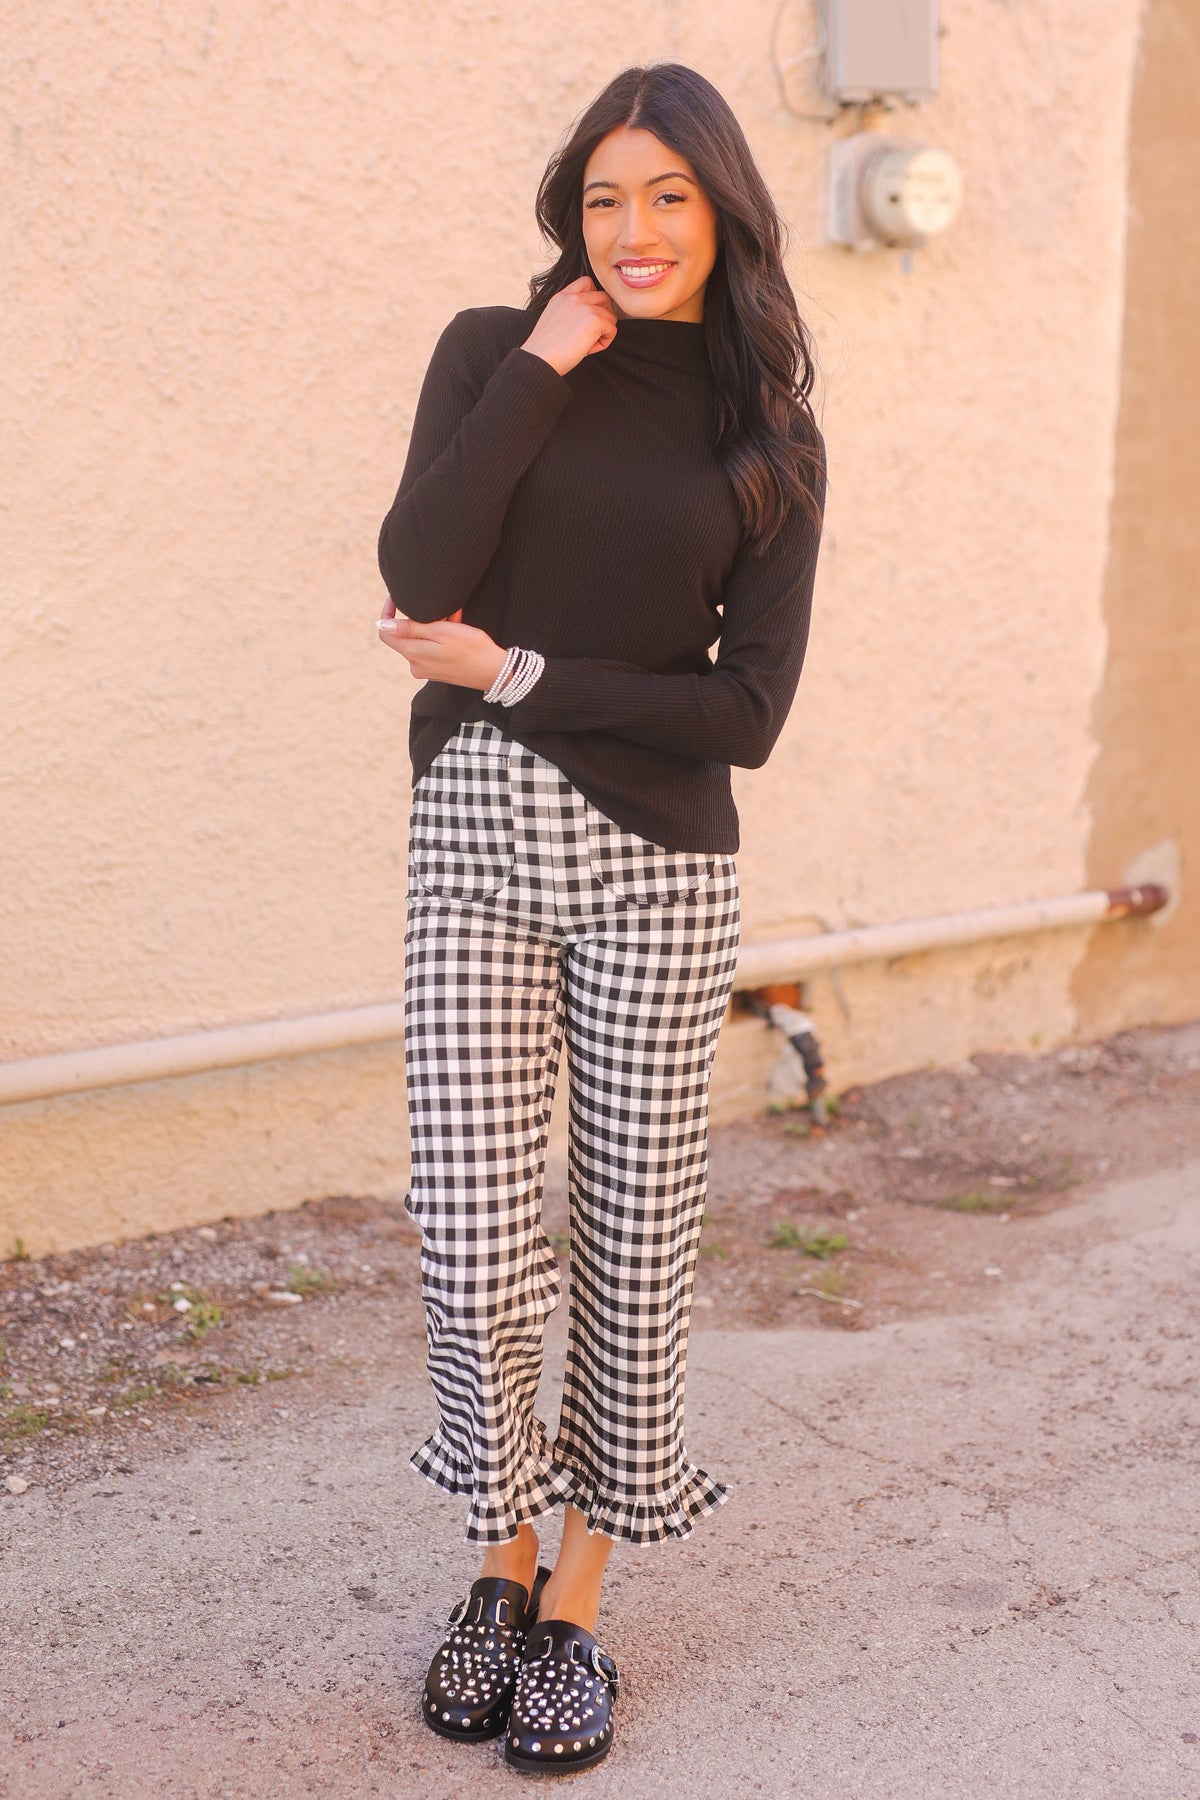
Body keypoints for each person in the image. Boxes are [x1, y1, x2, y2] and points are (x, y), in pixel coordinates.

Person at [375, 60, 827, 1777]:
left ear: (722, 217)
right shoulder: (495, 352)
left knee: (636, 1250)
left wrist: (519, 674)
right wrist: (548, 370)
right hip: (477, 839)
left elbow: (747, 714)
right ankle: (495, 1555)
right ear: (573, 211)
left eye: (670, 200)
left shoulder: (765, 440)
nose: (632, 234)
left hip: (661, 869)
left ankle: (575, 1597)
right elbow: (421, 570)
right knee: (478, 1235)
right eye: (607, 199)